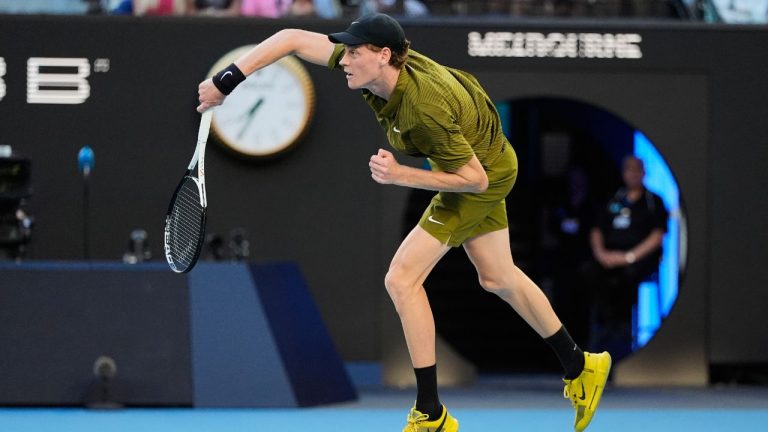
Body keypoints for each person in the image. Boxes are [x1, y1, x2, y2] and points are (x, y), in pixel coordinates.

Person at [196, 13, 611, 432]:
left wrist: (402, 176)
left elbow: (475, 180)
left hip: (481, 174)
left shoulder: (422, 109)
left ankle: (430, 413)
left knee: (402, 279)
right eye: (347, 50)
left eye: (354, 52)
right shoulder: (376, 68)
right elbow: (290, 38)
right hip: (488, 155)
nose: (344, 60)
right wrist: (227, 80)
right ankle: (581, 365)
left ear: (383, 55)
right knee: (498, 277)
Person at [585, 155, 668, 359]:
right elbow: (596, 230)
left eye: (636, 170)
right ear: (623, 173)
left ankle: (621, 328)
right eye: (628, 170)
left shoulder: (653, 202)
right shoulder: (614, 199)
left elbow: (657, 237)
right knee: (589, 272)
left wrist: (629, 257)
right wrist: (602, 254)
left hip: (639, 259)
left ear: (643, 173)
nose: (632, 174)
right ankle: (604, 324)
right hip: (610, 257)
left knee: (628, 275)